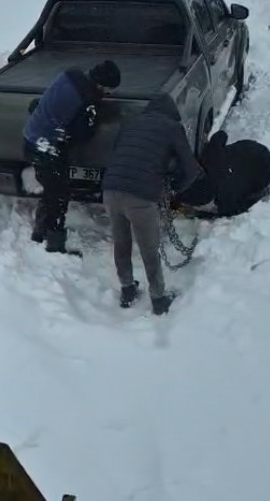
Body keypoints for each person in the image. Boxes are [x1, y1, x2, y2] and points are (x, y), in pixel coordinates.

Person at [102, 94, 203, 315]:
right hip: (140, 196)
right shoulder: (172, 128)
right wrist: (175, 187)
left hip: (110, 189)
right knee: (149, 250)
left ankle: (127, 290)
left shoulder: (130, 122)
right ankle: (158, 299)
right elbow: (192, 169)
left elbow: (120, 154)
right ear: (172, 113)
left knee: (121, 243)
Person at [23, 60, 121, 254]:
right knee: (58, 196)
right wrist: (93, 116)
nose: (109, 94)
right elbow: (82, 134)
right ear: (101, 85)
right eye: (109, 90)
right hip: (47, 149)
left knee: (51, 191)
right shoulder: (87, 100)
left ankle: (39, 234)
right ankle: (54, 246)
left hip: (30, 139)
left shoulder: (70, 75)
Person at [175, 130, 270, 217]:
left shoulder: (226, 200)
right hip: (252, 155)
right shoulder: (211, 157)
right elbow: (220, 135)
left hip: (257, 165)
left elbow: (221, 135)